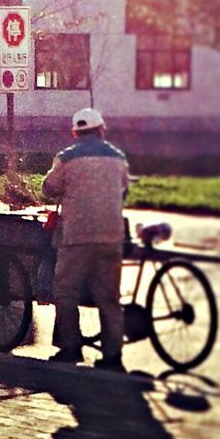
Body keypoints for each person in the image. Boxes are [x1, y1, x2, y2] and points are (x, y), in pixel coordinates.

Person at [42, 107, 131, 370]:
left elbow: (49, 188)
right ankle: (113, 357)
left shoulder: (66, 158)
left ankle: (71, 349)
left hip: (76, 238)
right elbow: (124, 186)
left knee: (66, 291)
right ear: (102, 130)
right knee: (109, 297)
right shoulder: (117, 157)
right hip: (111, 236)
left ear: (75, 133)